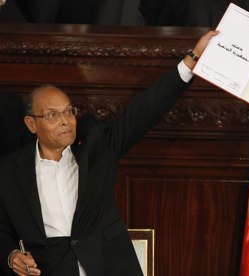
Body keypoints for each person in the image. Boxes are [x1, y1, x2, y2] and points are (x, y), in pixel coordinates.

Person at [0, 30, 218, 276]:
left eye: (68, 111)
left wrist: (193, 57)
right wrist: (10, 256)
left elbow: (145, 110)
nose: (65, 121)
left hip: (110, 267)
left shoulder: (96, 148)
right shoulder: (9, 172)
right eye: (52, 115)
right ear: (31, 124)